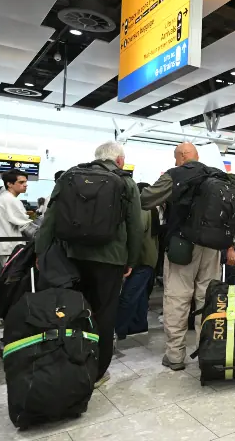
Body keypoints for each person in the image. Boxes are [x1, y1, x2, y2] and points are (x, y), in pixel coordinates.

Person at [37, 142, 143, 388]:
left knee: (74, 310)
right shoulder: (126, 183)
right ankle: (97, 372)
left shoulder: (69, 177)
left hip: (73, 256)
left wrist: (41, 253)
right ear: (119, 161)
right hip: (111, 259)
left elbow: (50, 219)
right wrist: (131, 260)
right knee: (105, 314)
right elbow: (135, 226)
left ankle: (72, 361)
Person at [140, 142, 235, 370]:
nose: (175, 162)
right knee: (208, 298)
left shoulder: (176, 175)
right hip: (213, 247)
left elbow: (146, 200)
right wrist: (229, 246)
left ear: (183, 156)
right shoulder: (218, 175)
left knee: (178, 297)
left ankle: (175, 356)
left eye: (176, 158)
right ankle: (207, 351)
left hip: (182, 246)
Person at [116, 182, 160, 340]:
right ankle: (138, 325)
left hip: (140, 259)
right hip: (148, 258)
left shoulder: (142, 208)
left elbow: (137, 231)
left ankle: (118, 330)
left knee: (128, 295)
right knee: (139, 294)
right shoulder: (152, 209)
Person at [0, 169, 33, 264]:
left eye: (26, 182)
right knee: (14, 277)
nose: (25, 184)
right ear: (9, 184)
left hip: (5, 246)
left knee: (9, 276)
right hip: (11, 248)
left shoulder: (2, 198)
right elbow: (25, 226)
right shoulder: (11, 200)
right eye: (21, 182)